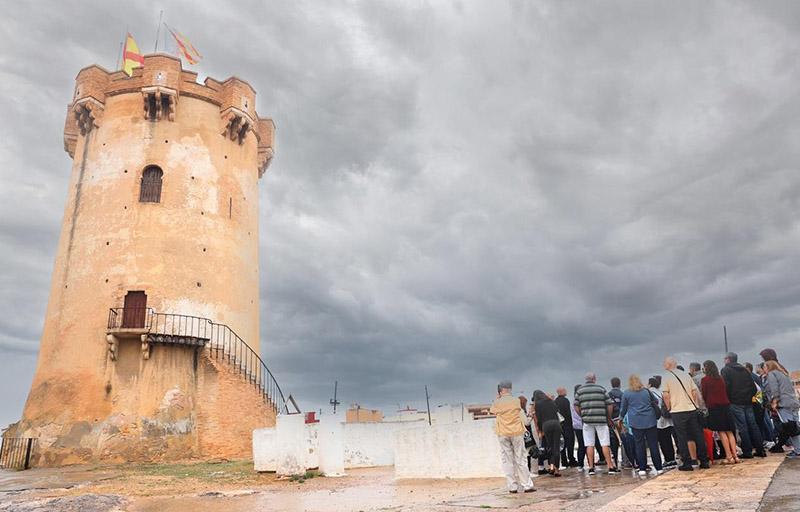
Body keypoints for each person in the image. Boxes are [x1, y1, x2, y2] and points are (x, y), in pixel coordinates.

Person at [662, 356, 710, 471]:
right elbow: (694, 392)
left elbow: (666, 395)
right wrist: (693, 404)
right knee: (698, 434)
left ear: (668, 365)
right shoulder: (686, 375)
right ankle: (704, 461)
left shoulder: (666, 377)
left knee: (682, 437)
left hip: (677, 410)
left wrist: (669, 407)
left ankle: (687, 463)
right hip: (691, 409)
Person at [490, 381, 535, 493]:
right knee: (520, 459)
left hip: (503, 433)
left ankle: (512, 486)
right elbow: (524, 419)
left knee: (507, 460)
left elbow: (493, 411)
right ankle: (527, 485)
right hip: (516, 432)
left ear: (500, 391)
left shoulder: (497, 402)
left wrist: (497, 399)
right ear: (510, 389)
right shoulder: (516, 401)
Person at [575, 373, 621, 475]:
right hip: (601, 419)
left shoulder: (580, 391)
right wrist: (608, 417)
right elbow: (609, 404)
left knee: (589, 444)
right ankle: (610, 466)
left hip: (587, 421)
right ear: (594, 379)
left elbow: (576, 406)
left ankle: (591, 468)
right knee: (605, 443)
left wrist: (582, 416)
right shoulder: (601, 389)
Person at [721, 352, 766, 458]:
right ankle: (760, 449)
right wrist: (748, 397)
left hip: (735, 403)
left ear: (728, 359)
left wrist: (729, 399)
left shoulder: (726, 370)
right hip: (748, 402)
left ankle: (747, 451)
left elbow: (725, 387)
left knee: (742, 427)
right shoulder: (744, 370)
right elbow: (753, 387)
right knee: (753, 426)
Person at [620, 374, 663, 476]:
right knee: (653, 445)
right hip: (650, 421)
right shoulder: (646, 391)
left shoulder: (626, 393)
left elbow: (623, 409)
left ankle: (642, 468)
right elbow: (656, 401)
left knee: (639, 445)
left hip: (636, 422)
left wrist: (621, 419)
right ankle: (659, 467)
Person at [700, 360, 739, 464]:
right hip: (726, 406)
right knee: (730, 432)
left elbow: (704, 394)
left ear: (706, 368)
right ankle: (735, 455)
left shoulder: (705, 380)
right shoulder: (720, 378)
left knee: (722, 432)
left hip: (714, 408)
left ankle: (729, 456)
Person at [763, 361, 800, 458]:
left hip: (783, 404)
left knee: (790, 427)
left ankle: (797, 450)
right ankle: (798, 449)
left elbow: (775, 389)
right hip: (793, 402)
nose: (764, 369)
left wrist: (774, 401)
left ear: (769, 367)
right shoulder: (783, 373)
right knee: (794, 427)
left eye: (765, 367)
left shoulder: (772, 374)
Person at [532, 390, 563, 476]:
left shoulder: (537, 404)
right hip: (556, 424)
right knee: (556, 447)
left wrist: (540, 431)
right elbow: (557, 412)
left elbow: (539, 419)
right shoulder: (551, 401)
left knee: (550, 447)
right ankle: (556, 469)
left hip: (546, 425)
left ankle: (552, 467)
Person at [649, 376, 677, 467]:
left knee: (662, 441)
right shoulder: (661, 392)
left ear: (650, 384)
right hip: (667, 419)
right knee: (668, 440)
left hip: (658, 420)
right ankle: (672, 459)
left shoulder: (650, 393)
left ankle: (667, 460)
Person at [554, 387, 578, 467]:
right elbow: (568, 413)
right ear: (562, 392)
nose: (566, 392)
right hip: (567, 424)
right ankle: (571, 459)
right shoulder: (565, 400)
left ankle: (564, 461)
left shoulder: (555, 401)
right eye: (565, 390)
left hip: (559, 425)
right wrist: (572, 423)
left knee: (562, 443)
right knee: (570, 443)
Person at [608, 377, 624, 466]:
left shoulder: (608, 394)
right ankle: (625, 460)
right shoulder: (622, 394)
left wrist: (608, 419)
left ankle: (615, 460)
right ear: (619, 384)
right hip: (621, 419)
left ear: (611, 384)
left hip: (612, 419)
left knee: (613, 441)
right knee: (623, 440)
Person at [571, 384, 587, 470]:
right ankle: (587, 463)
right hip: (583, 425)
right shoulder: (581, 400)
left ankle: (580, 464)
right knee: (587, 444)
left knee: (581, 445)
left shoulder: (573, 401)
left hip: (576, 426)